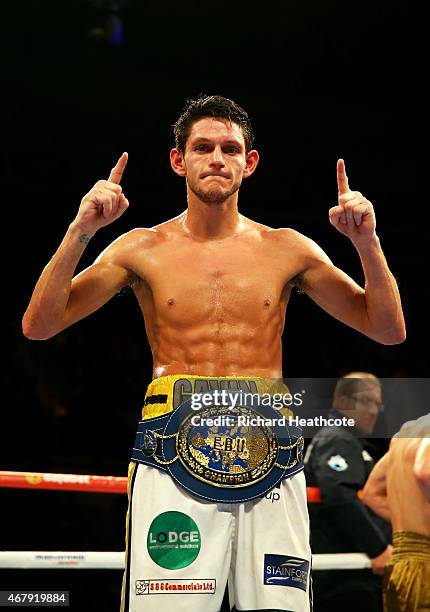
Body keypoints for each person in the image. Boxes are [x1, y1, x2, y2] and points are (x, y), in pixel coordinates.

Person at [22, 95, 405, 612]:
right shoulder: (140, 247)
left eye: (230, 148)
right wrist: (81, 230)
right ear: (180, 160)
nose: (217, 159)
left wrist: (368, 244)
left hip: (272, 445)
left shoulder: (287, 247)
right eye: (203, 147)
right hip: (172, 446)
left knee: (280, 607)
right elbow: (40, 326)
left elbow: (386, 329)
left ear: (249, 163)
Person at [304, 372, 393, 612]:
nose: (373, 410)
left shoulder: (350, 441)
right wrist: (378, 548)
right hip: (342, 576)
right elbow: (339, 495)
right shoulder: (337, 438)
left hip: (349, 572)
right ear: (342, 402)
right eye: (366, 401)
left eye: (377, 403)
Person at [362, 415, 430, 612]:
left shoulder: (406, 432)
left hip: (400, 565)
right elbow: (424, 469)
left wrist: (413, 521)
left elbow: (372, 493)